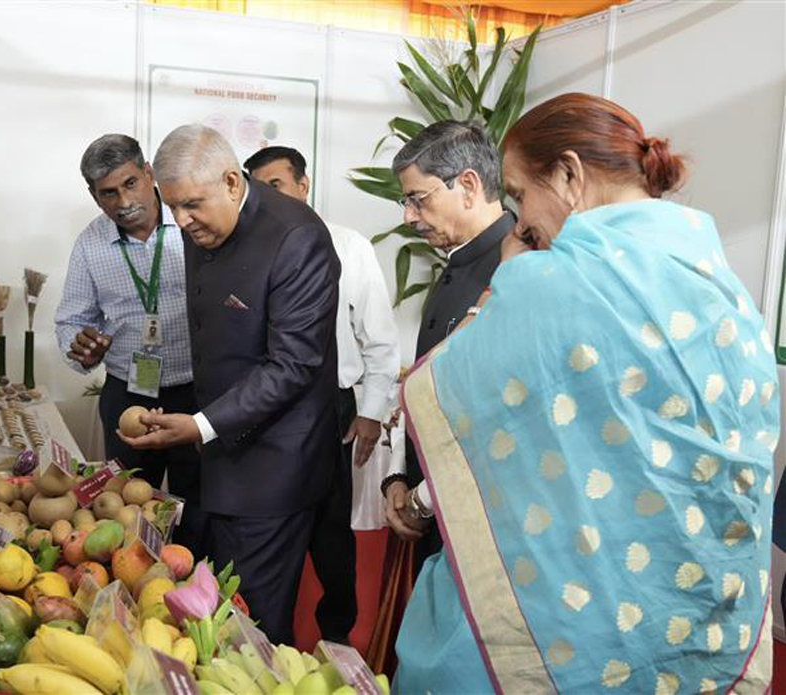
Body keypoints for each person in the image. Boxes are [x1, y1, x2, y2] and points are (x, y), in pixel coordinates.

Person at [394, 93, 778, 693]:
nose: (521, 220)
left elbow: (447, 384)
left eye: (520, 193)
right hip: (701, 588)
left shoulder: (558, 283)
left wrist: (508, 276)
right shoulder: (717, 280)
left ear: (569, 176)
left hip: (581, 596)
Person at [119, 125, 341, 646]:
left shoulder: (296, 239)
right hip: (218, 457)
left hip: (271, 470)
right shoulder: (203, 224)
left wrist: (200, 425)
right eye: (172, 206)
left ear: (232, 182)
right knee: (212, 614)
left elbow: (292, 365)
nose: (181, 221)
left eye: (192, 205)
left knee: (250, 625)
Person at [244, 145, 400, 644]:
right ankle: (269, 639)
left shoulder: (349, 246)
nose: (267, 198)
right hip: (264, 407)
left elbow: (380, 339)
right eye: (257, 189)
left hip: (331, 406)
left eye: (276, 186)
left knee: (331, 533)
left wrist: (371, 412)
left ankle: (337, 639)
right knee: (271, 526)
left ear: (303, 185)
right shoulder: (244, 251)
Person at [54, 133, 207, 558]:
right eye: (108, 193)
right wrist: (80, 347)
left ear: (149, 174)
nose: (123, 202)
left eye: (130, 184)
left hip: (197, 392)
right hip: (129, 393)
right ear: (94, 195)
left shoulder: (192, 223)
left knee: (200, 506)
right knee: (125, 508)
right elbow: (72, 321)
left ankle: (196, 584)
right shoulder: (91, 244)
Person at [380, 120, 515, 571]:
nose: (409, 217)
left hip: (481, 523)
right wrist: (398, 477)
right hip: (433, 505)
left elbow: (492, 415)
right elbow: (428, 378)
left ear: (468, 186)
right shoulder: (460, 259)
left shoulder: (516, 269)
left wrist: (422, 500)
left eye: (418, 199)